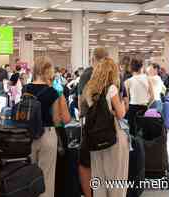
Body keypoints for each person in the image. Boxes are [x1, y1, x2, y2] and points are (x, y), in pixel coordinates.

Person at [24, 57, 71, 197]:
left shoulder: (26, 89)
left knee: (31, 176)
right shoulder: (52, 92)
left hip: (29, 135)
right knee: (46, 178)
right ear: (48, 70)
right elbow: (59, 120)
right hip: (47, 135)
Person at [82, 57, 129, 197]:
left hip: (94, 138)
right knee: (116, 179)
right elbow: (120, 114)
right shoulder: (112, 88)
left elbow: (84, 109)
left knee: (98, 178)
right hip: (112, 136)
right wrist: (124, 105)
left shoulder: (89, 90)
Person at [77, 48, 108, 197]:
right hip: (111, 126)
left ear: (93, 59)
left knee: (85, 162)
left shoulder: (87, 74)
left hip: (92, 124)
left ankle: (89, 195)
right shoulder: (114, 75)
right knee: (106, 163)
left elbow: (81, 102)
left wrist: (81, 114)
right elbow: (123, 104)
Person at [125, 58, 154, 136]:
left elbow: (126, 102)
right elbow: (153, 97)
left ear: (131, 68)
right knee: (144, 133)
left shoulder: (128, 82)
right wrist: (147, 104)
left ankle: (134, 147)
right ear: (142, 67)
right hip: (144, 108)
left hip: (132, 109)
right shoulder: (148, 79)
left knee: (133, 133)